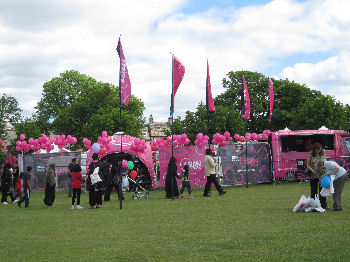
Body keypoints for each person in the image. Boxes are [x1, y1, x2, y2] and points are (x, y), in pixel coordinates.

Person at [306, 142, 327, 209]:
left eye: (319, 149)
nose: (318, 151)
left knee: (322, 190)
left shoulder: (323, 152)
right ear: (314, 149)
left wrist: (324, 166)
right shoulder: (310, 154)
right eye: (316, 150)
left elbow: (325, 161)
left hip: (322, 174)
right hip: (313, 175)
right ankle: (314, 204)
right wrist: (312, 170)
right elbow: (308, 164)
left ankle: (323, 205)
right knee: (313, 190)